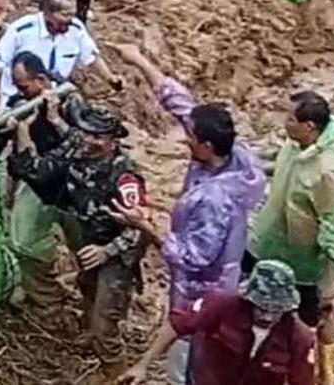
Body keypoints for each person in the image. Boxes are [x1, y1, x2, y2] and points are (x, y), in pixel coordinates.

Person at [110, 44, 266, 385]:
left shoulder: (215, 200)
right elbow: (182, 105)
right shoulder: (237, 156)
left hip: (203, 291)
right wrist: (138, 60)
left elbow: (193, 258)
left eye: (190, 138)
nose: (185, 140)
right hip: (226, 267)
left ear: (207, 146)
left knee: (188, 362)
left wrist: (146, 227)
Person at [7, 101, 145, 365]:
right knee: (89, 291)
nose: (89, 141)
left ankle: (115, 369)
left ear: (114, 140)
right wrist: (23, 130)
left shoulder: (125, 175)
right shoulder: (76, 146)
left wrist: (108, 251)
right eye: (86, 132)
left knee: (106, 324)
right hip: (88, 240)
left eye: (98, 137)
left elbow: (140, 230)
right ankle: (91, 336)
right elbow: (37, 171)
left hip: (116, 252)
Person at [245, 91, 334, 385]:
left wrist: (328, 283)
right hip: (271, 246)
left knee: (314, 323)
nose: (284, 123)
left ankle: (330, 373)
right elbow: (282, 169)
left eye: (290, 118)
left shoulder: (330, 173)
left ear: (310, 126)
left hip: (306, 267)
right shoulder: (295, 146)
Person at [0, 51, 85, 306]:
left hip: (74, 186)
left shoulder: (71, 100)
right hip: (39, 183)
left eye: (24, 86)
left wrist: (56, 120)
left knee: (86, 245)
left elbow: (85, 144)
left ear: (41, 80)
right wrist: (11, 191)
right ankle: (48, 296)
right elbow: (16, 154)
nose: (20, 91)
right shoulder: (20, 105)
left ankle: (89, 298)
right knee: (23, 241)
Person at [167, 259, 316, 385]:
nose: (267, 317)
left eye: (276, 311)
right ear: (249, 300)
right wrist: (143, 366)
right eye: (262, 309)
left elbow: (302, 380)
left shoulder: (299, 338)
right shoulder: (220, 305)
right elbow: (178, 324)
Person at [0, 0, 121, 112]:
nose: (70, 19)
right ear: (47, 12)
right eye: (65, 15)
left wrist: (109, 78)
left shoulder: (76, 29)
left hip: (55, 103)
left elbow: (91, 57)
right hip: (19, 104)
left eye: (72, 14)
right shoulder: (21, 31)